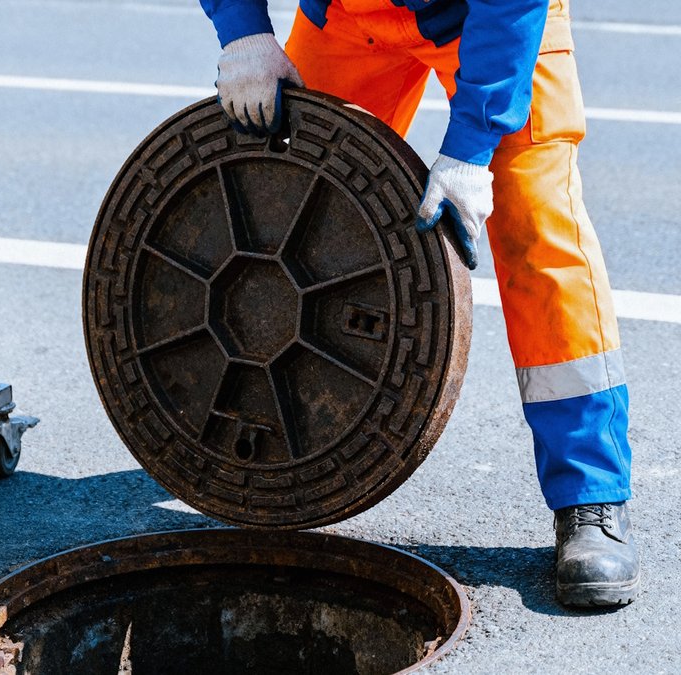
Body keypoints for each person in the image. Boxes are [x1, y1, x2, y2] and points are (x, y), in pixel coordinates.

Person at [199, 0, 639, 607]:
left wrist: (472, 144)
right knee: (289, 195)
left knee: (536, 228)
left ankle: (589, 496)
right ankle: (274, 460)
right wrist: (242, 30)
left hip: (488, 20)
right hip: (346, 16)